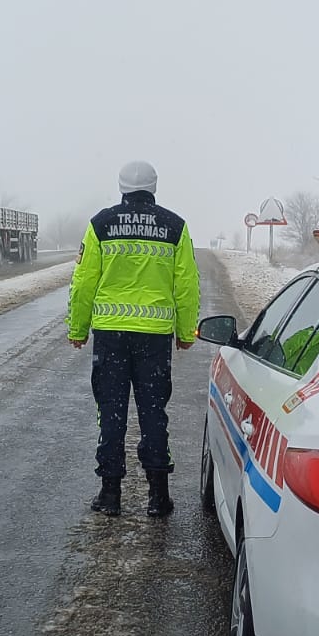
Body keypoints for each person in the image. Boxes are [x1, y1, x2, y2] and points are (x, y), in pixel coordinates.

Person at [66, 160, 200, 517]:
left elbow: (83, 282)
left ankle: (110, 494)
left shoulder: (101, 224)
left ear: (121, 187)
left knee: (111, 413)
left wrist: (78, 329)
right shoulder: (175, 226)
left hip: (111, 337)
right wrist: (185, 332)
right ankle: (158, 495)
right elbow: (187, 284)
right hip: (154, 339)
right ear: (154, 187)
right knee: (153, 413)